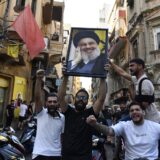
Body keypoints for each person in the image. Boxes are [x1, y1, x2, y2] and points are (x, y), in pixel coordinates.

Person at [58, 68, 107, 160]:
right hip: (66, 156)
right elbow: (60, 97)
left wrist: (103, 77)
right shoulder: (68, 111)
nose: (81, 99)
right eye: (79, 97)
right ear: (74, 98)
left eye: (84, 98)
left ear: (87, 101)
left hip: (84, 157)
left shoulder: (90, 113)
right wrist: (65, 76)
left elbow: (101, 98)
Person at [86, 101, 160, 160]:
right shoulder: (125, 125)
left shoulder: (155, 127)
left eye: (137, 109)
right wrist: (95, 124)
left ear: (143, 112)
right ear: (130, 114)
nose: (134, 112)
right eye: (132, 110)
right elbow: (110, 131)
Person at [108, 58, 160, 123]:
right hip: (143, 119)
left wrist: (132, 96)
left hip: (151, 120)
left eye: (132, 65)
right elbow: (123, 73)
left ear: (140, 66)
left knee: (120, 122)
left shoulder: (145, 82)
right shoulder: (137, 80)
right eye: (129, 66)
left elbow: (143, 106)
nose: (130, 68)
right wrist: (111, 63)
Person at [32, 69, 65, 160]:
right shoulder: (41, 113)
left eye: (54, 102)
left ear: (58, 103)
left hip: (56, 154)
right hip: (39, 154)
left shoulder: (62, 117)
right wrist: (39, 80)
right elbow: (37, 98)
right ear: (46, 103)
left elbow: (61, 136)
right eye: (50, 102)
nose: (52, 104)